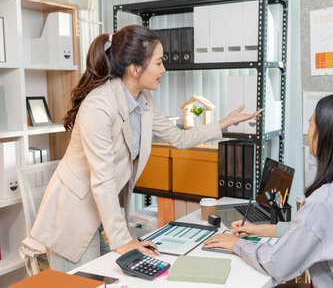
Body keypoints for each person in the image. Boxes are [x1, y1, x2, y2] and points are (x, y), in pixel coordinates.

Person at [29, 25, 263, 272]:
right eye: (159, 63)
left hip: (105, 211)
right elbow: (103, 180)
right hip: (73, 217)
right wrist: (124, 241)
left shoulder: (142, 99)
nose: (164, 69)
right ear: (135, 68)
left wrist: (224, 123)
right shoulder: (99, 106)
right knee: (84, 282)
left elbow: (177, 138)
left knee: (118, 275)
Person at [204, 94, 333, 287]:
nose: (308, 129)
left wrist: (236, 244)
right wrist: (257, 229)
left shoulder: (323, 201)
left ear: (326, 136)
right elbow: (319, 232)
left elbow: (278, 264)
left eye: (311, 122)